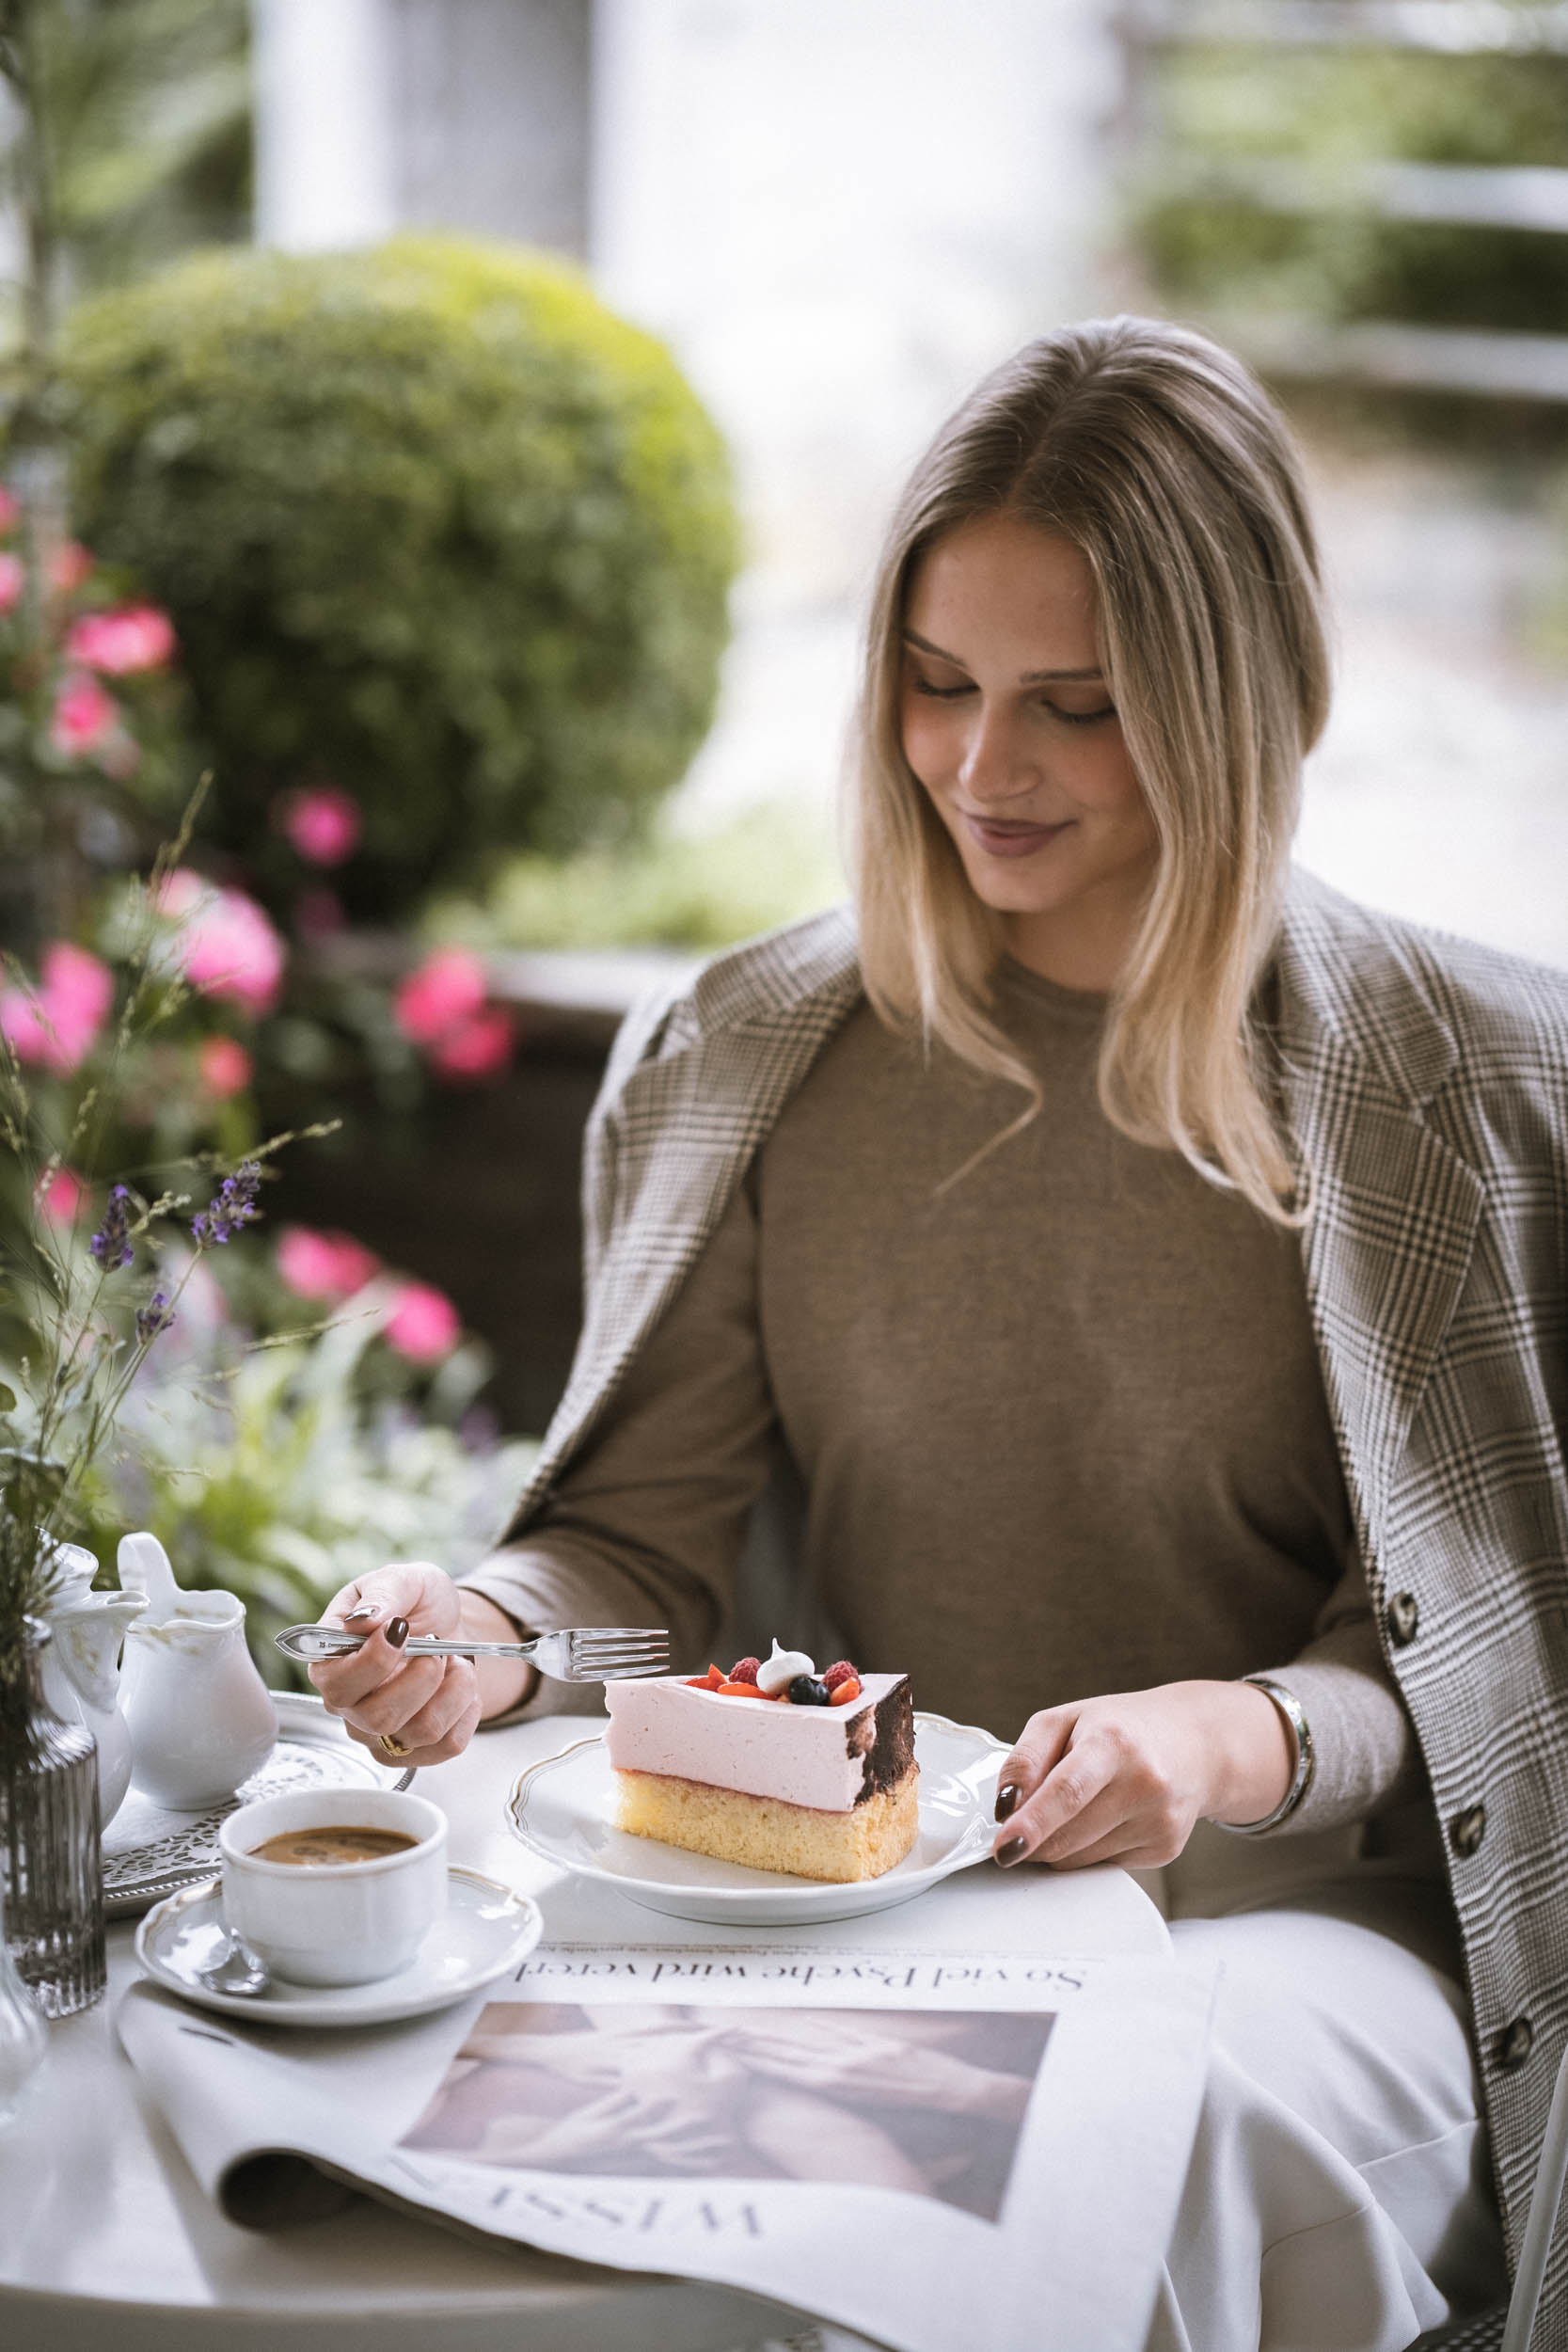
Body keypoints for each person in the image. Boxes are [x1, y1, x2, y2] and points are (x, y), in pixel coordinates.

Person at [310, 317, 1567, 2346]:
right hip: (848, 1928)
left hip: (1302, 1923)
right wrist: (498, 1630)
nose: (985, 766)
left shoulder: (1490, 1088)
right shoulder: (743, 1055)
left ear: (1255, 699)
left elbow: (1491, 1652)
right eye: (937, 682)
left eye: (1076, 704)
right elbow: (638, 1562)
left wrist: (1225, 1738)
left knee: (1134, 2167)